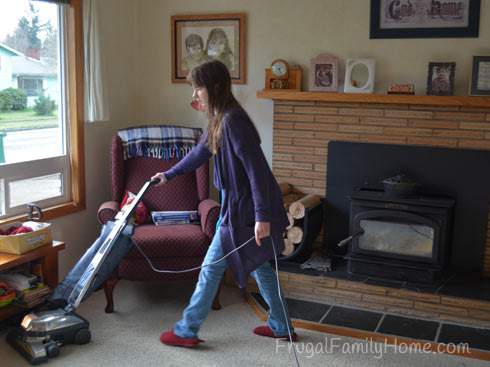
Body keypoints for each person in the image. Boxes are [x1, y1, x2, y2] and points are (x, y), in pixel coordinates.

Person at [152, 60, 298, 347]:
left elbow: (257, 171)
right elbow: (199, 153)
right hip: (235, 207)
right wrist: (168, 174)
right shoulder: (220, 118)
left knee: (211, 268)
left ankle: (186, 331)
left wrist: (262, 216)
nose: (194, 95)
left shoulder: (233, 121)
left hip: (244, 211)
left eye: (198, 88)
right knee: (260, 267)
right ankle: (282, 326)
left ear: (215, 87)